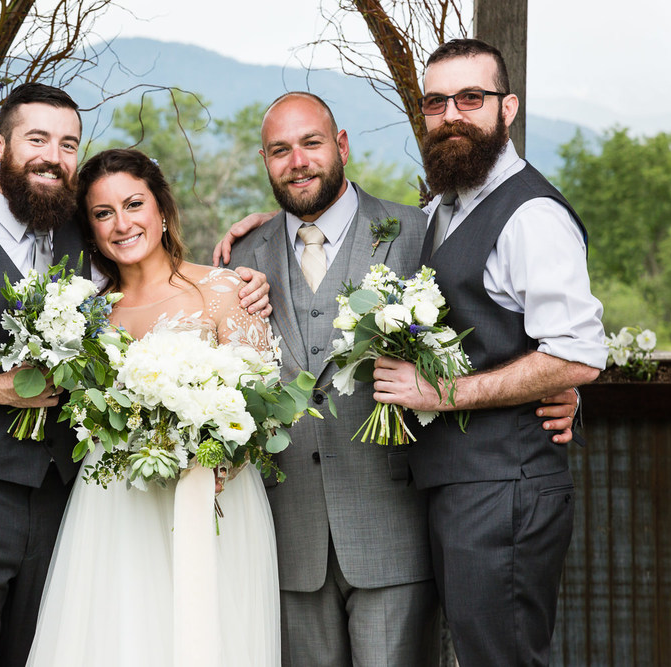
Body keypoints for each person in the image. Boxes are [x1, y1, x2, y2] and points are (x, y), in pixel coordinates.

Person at [0, 82, 272, 665]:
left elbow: (156, 275)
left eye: (67, 144)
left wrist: (257, 243)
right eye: (37, 139)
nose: (52, 156)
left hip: (67, 495)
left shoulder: (82, 248)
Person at [215, 91, 579, 666]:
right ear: (265, 160)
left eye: (311, 143)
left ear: (340, 146)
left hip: (395, 526)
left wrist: (564, 385)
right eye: (279, 150)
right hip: (288, 537)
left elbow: (500, 330)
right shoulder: (240, 257)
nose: (297, 161)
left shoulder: (420, 231)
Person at [370, 39, 606, 666]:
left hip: (506, 488)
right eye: (436, 102)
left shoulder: (531, 215)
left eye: (470, 98)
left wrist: (437, 394)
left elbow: (577, 352)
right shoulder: (442, 209)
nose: (452, 115)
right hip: (462, 486)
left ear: (508, 109)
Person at [26, 148, 280, 666]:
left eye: (134, 204)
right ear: (91, 228)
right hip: (115, 504)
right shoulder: (89, 317)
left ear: (162, 211)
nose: (122, 224)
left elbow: (263, 406)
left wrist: (212, 458)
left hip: (210, 494)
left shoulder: (226, 291)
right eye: (103, 213)